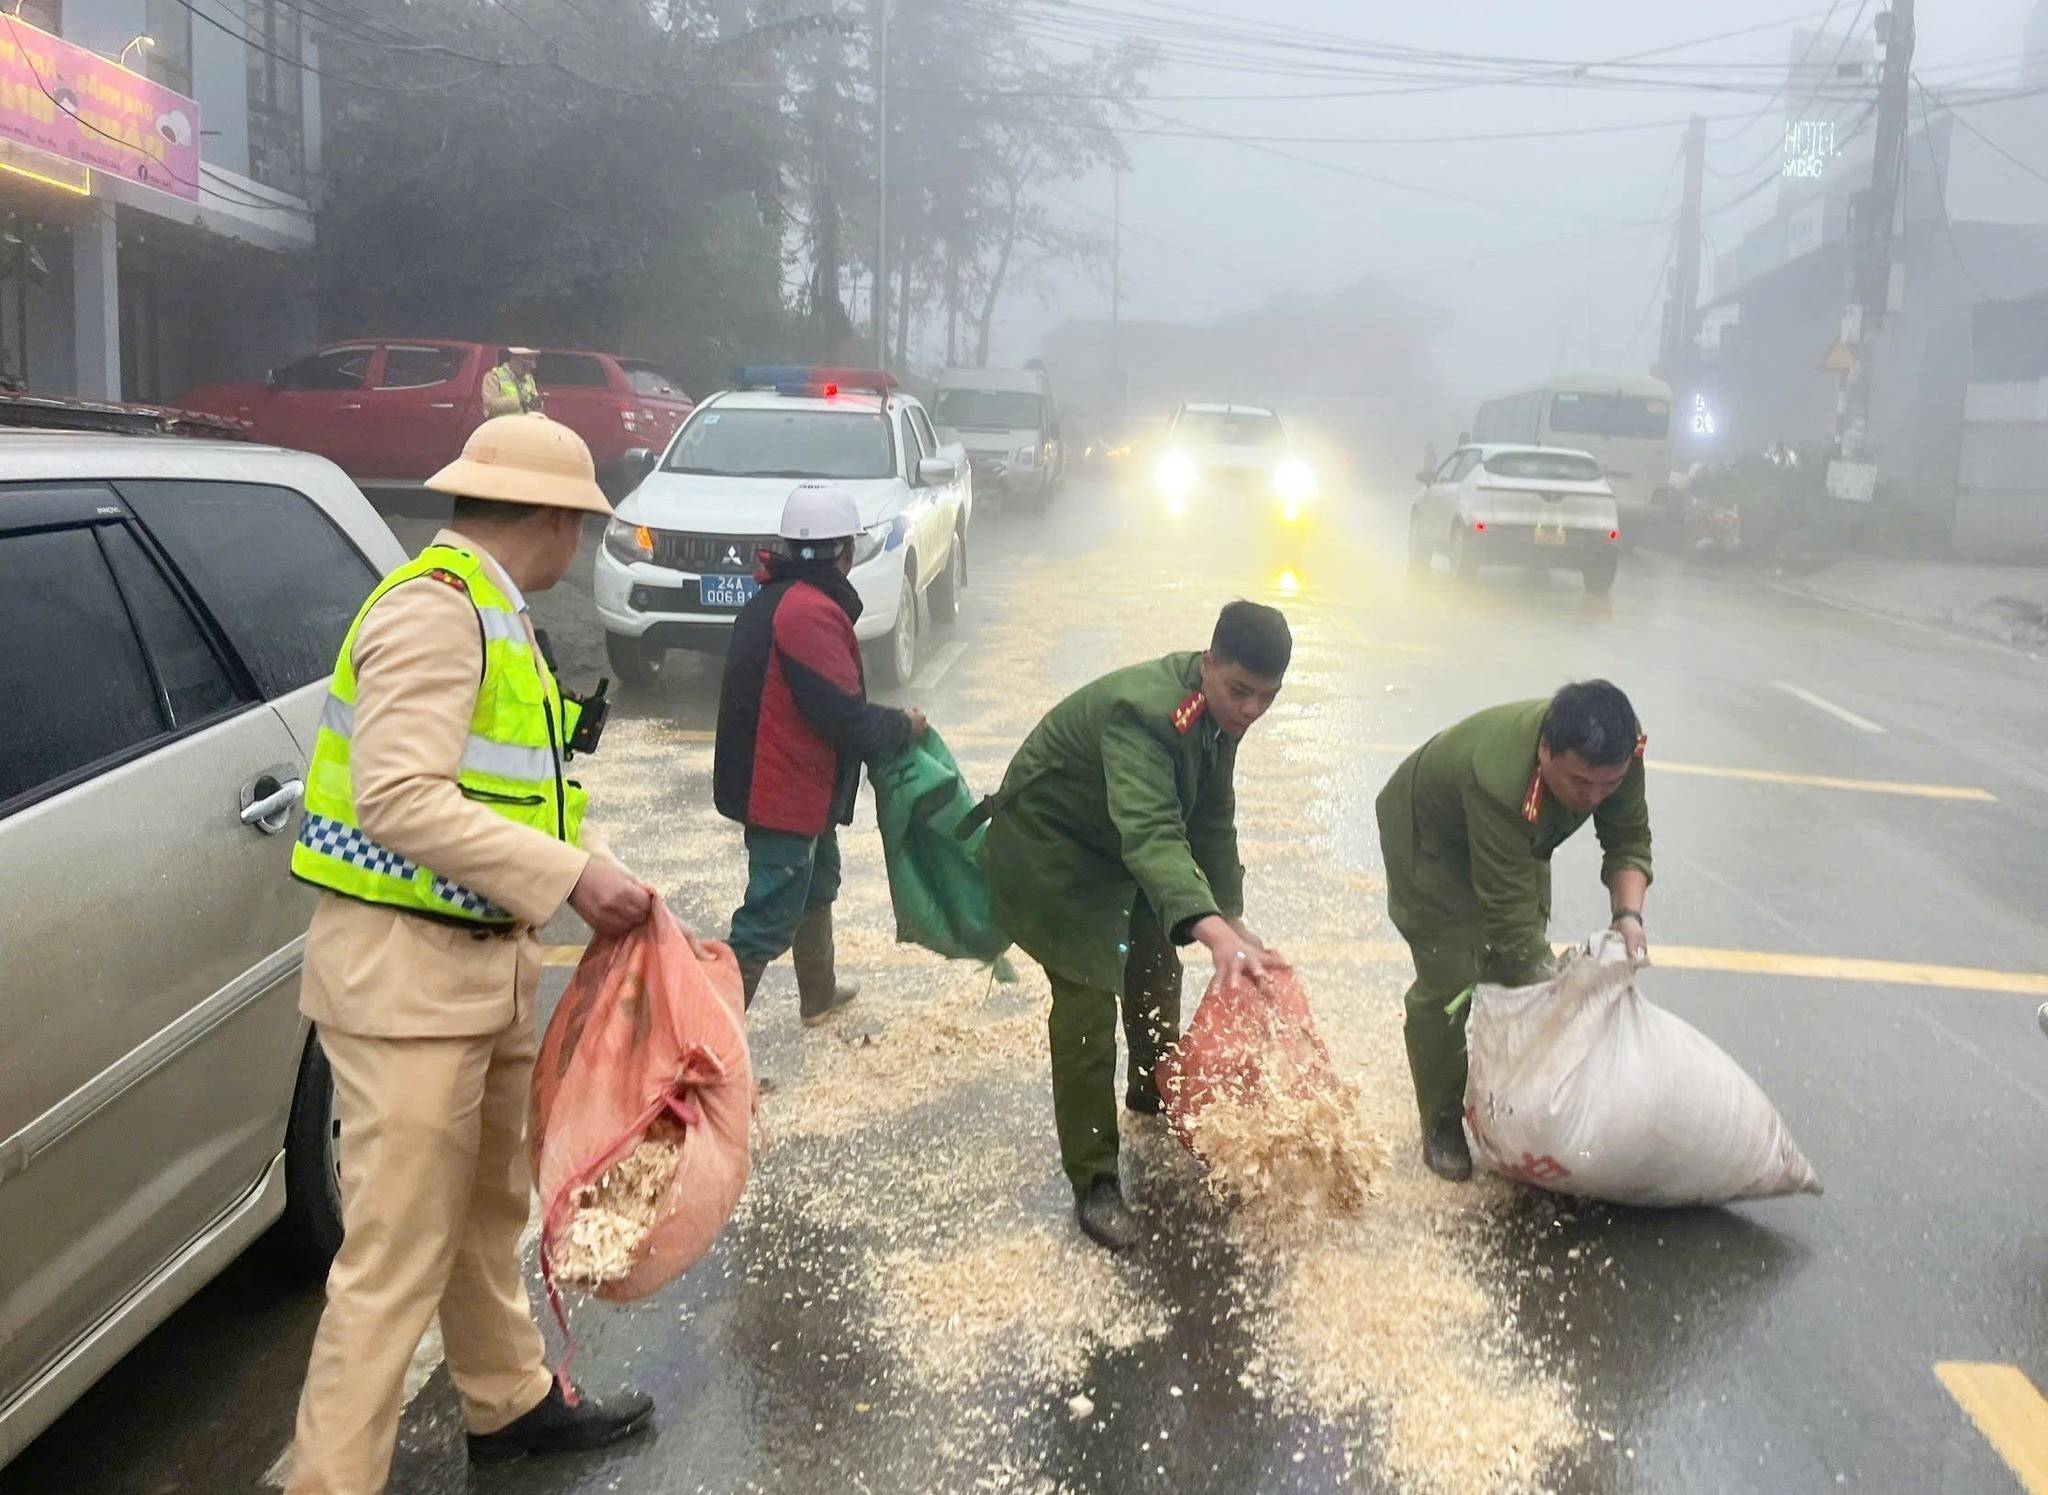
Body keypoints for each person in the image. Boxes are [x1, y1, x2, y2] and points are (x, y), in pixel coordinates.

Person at [285, 414, 659, 1494]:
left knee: (482, 1213)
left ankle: (509, 1402)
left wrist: (593, 864)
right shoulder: (434, 613)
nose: (576, 547)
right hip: (403, 980)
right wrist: (571, 881)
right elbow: (397, 795)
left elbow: (515, 801)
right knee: (392, 1260)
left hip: (482, 969)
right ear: (551, 518)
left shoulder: (500, 618)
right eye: (577, 526)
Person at [981, 601, 1293, 1251]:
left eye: (1267, 697)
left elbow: (1209, 815)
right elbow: (1152, 831)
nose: (1250, 710)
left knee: (1155, 959)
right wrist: (1211, 928)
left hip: (1116, 842)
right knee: (1088, 1000)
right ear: (1208, 665)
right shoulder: (1146, 715)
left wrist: (1230, 916)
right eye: (1240, 691)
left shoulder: (1217, 714)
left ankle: (1153, 1090)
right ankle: (1094, 1180)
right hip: (1055, 846)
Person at [1375, 680, 1652, 1183]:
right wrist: (1564, 1001)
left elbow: (1628, 838)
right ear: (1545, 750)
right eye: (1580, 783)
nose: (1593, 799)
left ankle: (1509, 1106)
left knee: (1517, 969)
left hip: (1521, 838)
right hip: (1430, 841)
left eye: (1607, 786)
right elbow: (1510, 921)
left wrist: (1628, 917)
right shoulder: (1502, 781)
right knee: (1455, 977)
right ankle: (1440, 1126)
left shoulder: (1620, 753)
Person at [714, 481, 925, 1019]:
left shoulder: (780, 599)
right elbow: (842, 714)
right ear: (846, 553)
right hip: (783, 786)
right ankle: (705, 1045)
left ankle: (818, 994)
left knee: (817, 882)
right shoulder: (807, 612)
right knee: (769, 913)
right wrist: (904, 726)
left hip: (791, 779)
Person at [482, 346, 541, 419]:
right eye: (525, 364)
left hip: (524, 426)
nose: (532, 366)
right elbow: (490, 404)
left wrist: (537, 404)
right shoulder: (494, 376)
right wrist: (518, 401)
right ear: (514, 359)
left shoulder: (529, 378)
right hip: (502, 426)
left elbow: (534, 404)